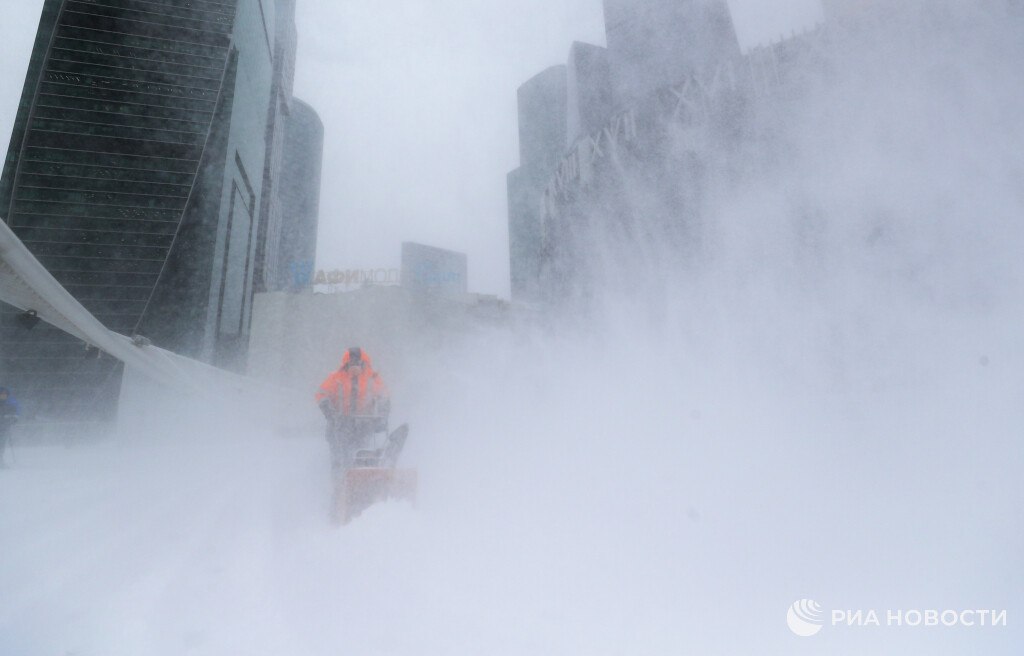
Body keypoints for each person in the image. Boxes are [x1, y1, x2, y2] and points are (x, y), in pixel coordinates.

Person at [315, 347, 390, 472]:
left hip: (364, 425)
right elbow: (321, 394)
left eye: (358, 363)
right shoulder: (336, 378)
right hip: (339, 426)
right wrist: (330, 413)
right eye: (352, 364)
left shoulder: (372, 378)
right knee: (339, 459)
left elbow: (384, 396)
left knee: (363, 455)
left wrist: (382, 414)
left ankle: (362, 481)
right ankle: (340, 484)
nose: (354, 367)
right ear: (346, 364)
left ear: (363, 363)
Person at [0, 387, 20, 469]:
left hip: (4, 428)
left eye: (5, 394)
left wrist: (12, 419)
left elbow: (14, 415)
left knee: (2, 445)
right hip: (3, 427)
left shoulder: (9, 405)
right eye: (1, 394)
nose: (3, 396)